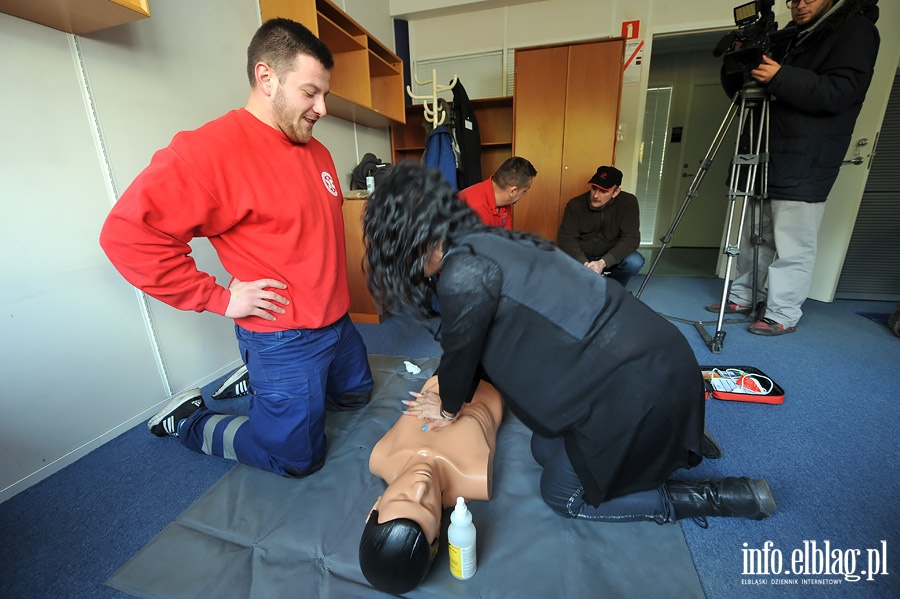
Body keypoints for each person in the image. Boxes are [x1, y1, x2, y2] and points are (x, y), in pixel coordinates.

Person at [363, 162, 775, 529]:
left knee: (562, 495)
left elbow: (463, 353)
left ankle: (718, 497)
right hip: (662, 360)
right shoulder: (487, 243)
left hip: (638, 383)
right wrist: (449, 389)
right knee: (545, 444)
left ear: (410, 242)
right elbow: (472, 347)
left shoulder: (462, 273)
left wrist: (447, 404)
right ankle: (667, 438)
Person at [99, 19, 373, 478]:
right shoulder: (209, 152)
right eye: (310, 93)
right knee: (296, 460)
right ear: (267, 78)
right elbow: (128, 236)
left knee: (356, 397)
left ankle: (261, 385)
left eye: (324, 94)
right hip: (284, 336)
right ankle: (188, 419)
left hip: (337, 322)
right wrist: (220, 298)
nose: (322, 107)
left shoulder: (317, 151)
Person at [708, 0, 880, 336]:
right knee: (753, 235)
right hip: (762, 149)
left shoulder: (856, 30)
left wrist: (781, 76)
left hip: (805, 156)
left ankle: (782, 312)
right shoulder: (788, 36)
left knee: (793, 243)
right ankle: (744, 296)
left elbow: (841, 92)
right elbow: (744, 92)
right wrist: (741, 59)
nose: (800, 5)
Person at [359, 375, 504, 594]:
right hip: (496, 375)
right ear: (438, 529)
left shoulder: (381, 456)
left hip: (447, 370)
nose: (421, 486)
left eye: (403, 497)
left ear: (374, 508)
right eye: (426, 506)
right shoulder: (474, 478)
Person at [557, 165, 645, 288]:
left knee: (635, 262)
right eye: (594, 188)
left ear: (616, 192)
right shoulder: (575, 204)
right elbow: (566, 239)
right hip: (583, 255)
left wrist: (603, 262)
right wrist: (584, 263)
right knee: (557, 260)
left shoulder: (628, 203)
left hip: (610, 255)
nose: (596, 195)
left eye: (603, 191)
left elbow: (631, 239)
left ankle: (612, 287)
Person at [457, 156, 537, 229]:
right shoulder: (476, 209)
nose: (525, 194)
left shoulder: (504, 201)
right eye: (524, 191)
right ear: (512, 191)